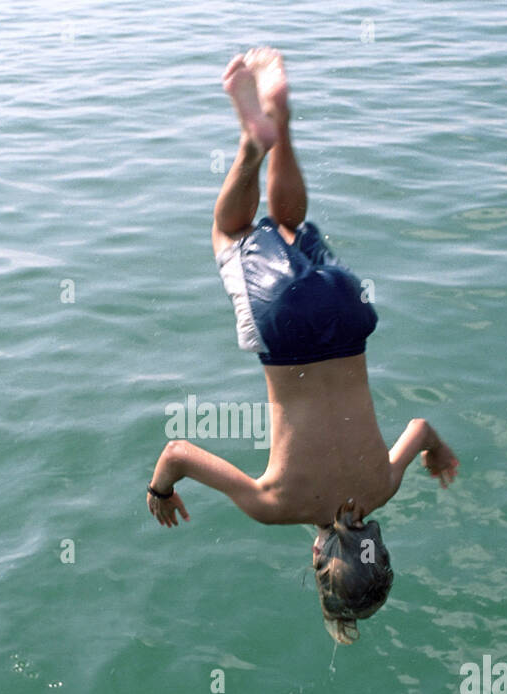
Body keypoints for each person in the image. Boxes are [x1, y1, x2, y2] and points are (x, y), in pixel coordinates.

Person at [147, 48, 459, 644]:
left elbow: (419, 425)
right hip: (285, 332)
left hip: (348, 314)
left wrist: (436, 454)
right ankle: (252, 143)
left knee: (289, 227)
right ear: (318, 557)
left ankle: (280, 127)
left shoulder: (384, 487)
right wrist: (158, 491)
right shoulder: (274, 504)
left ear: (378, 541)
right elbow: (178, 451)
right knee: (231, 233)